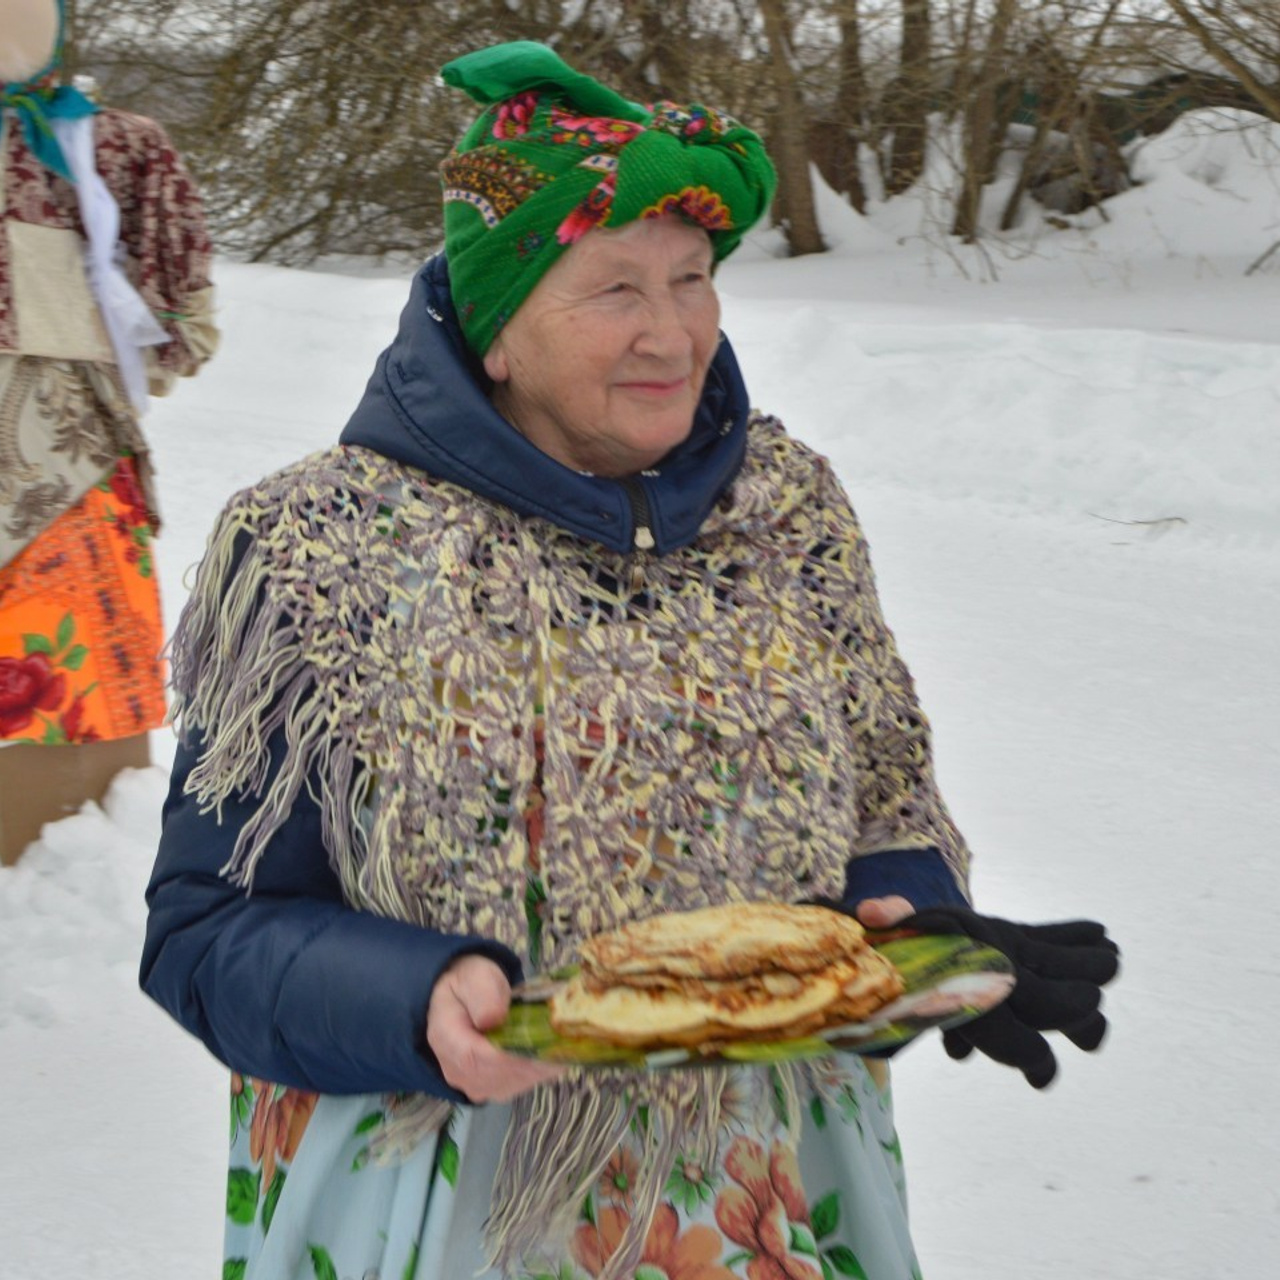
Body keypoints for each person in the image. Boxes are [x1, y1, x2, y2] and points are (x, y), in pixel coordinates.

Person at [140, 41, 1117, 1280]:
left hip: (761, 1194)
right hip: (449, 1193)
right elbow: (206, 928)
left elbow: (881, 789)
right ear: (495, 329)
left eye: (693, 278)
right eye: (614, 289)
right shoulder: (315, 548)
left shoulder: (787, 506)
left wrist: (915, 924)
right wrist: (415, 998)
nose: (674, 331)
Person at [0, 0, 217, 864]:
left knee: (68, 658)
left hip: (73, 455)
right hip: (76, 446)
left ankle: (61, 865)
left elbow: (179, 315)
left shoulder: (115, 148)